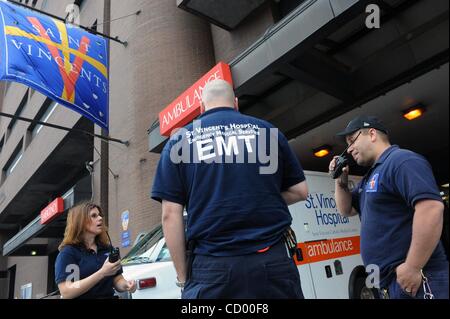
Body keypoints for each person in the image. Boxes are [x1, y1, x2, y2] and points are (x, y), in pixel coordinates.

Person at [151, 79, 308, 299]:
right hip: (272, 262)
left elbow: (170, 215)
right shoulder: (268, 132)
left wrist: (183, 278)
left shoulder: (179, 141)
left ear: (201, 107)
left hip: (212, 268)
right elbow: (300, 191)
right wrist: (260, 199)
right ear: (235, 103)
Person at [329, 115, 448, 299]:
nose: (349, 149)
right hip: (394, 285)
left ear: (372, 133)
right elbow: (346, 210)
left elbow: (431, 208)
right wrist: (340, 181)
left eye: (352, 141)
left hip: (419, 279)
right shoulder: (371, 176)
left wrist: (413, 266)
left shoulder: (401, 161)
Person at [55, 202, 136, 299]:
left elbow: (117, 279)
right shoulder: (69, 253)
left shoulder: (108, 249)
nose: (100, 218)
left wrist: (126, 285)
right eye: (94, 216)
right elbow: (68, 292)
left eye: (100, 215)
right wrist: (102, 273)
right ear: (80, 222)